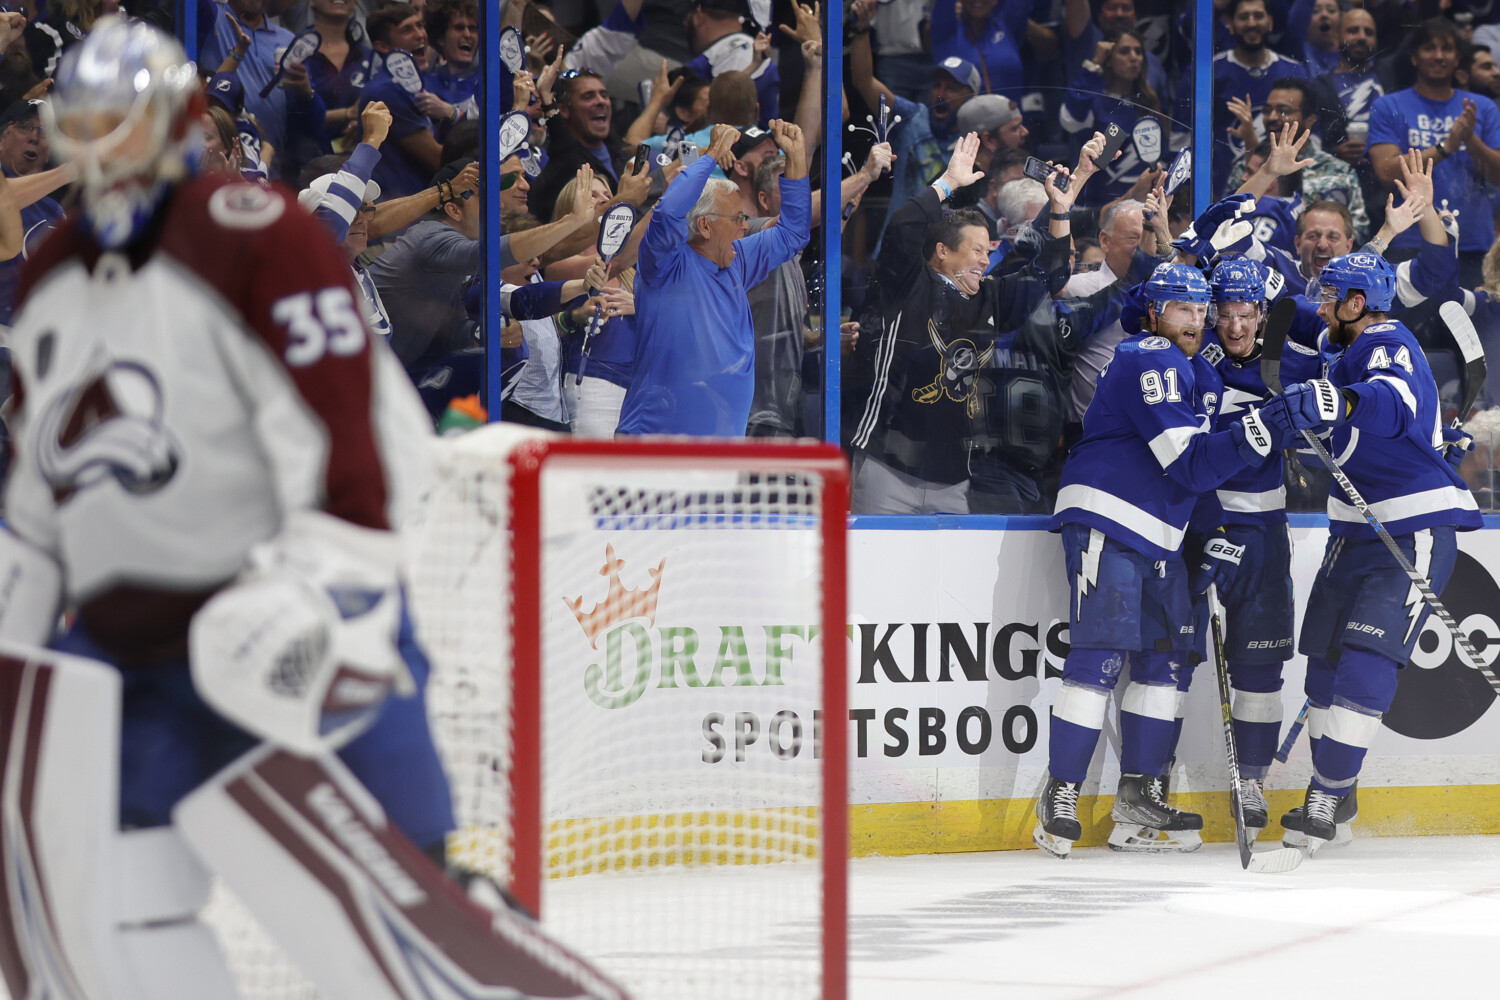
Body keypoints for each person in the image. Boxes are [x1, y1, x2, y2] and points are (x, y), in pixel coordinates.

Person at [0, 18, 623, 998]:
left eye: (134, 120)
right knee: (114, 906)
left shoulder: (257, 230)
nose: (114, 145)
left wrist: (333, 599)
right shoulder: (52, 272)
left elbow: (350, 441)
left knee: (406, 908)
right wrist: (21, 618)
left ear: (183, 122)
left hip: (293, 615)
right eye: (93, 121)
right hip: (131, 654)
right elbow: (42, 482)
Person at [1034, 262, 1303, 858]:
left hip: (1161, 536)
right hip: (1112, 517)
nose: (1198, 319)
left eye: (1202, 308)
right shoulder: (1147, 353)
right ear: (1155, 312)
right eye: (1184, 307)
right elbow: (1187, 462)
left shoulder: (1197, 374)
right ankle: (1060, 796)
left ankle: (1137, 802)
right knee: (1099, 659)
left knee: (1166, 666)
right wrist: (1264, 427)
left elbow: (1196, 478)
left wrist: (1210, 533)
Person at [1271, 251, 1482, 851]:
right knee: (1323, 666)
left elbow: (1389, 401)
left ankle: (1325, 793)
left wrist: (1344, 403)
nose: (1320, 306)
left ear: (1356, 304)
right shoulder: (1343, 350)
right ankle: (1342, 794)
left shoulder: (1385, 340)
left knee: (1364, 660)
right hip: (1352, 533)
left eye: (1329, 296)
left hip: (1407, 532)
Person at [846, 132, 1094, 514]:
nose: (984, 259)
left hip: (954, 479)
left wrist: (1060, 208)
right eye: (976, 250)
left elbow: (1052, 273)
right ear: (942, 252)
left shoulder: (991, 297)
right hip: (885, 467)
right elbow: (904, 225)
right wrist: (947, 184)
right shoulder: (907, 284)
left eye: (988, 249)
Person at [616, 120, 810, 437]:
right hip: (656, 446)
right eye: (737, 219)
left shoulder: (739, 261)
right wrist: (711, 155)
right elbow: (667, 214)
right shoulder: (664, 265)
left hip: (720, 454)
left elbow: (793, 233)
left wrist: (797, 160)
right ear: (704, 226)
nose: (745, 227)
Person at [1367, 17, 1500, 285]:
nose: (1438, 55)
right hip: (1409, 240)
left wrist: (1470, 139)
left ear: (1457, 58)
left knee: (1472, 327)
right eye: (1430, 47)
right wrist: (1446, 147)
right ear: (1414, 57)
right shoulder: (1388, 106)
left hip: (1473, 245)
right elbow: (1384, 170)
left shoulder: (1482, 108)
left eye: (1447, 48)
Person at [1226, 77, 1368, 243]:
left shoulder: (1339, 171)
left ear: (1310, 119)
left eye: (1284, 111)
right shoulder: (1246, 166)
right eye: (1267, 111)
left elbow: (1359, 231)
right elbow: (1226, 219)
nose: (1272, 117)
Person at [1212, 0, 1308, 191]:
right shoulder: (1210, 71)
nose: (1252, 23)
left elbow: (1309, 134)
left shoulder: (1294, 70)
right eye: (1243, 17)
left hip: (1283, 184)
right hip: (1222, 185)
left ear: (1270, 22)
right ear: (1230, 25)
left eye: (1258, 15)